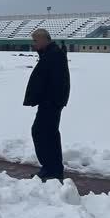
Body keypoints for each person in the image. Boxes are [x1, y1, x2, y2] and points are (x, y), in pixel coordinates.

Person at [23, 28, 70, 180]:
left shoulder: (54, 55)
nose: (33, 44)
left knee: (42, 133)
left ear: (45, 40)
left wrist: (50, 101)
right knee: (48, 134)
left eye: (35, 41)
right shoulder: (51, 53)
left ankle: (51, 170)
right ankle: (52, 169)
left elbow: (56, 82)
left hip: (51, 103)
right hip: (50, 102)